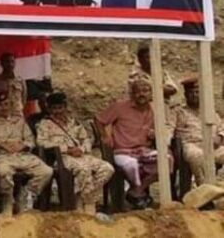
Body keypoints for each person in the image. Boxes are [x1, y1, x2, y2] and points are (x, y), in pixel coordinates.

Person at [95, 75, 173, 209]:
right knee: (132, 166)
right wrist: (104, 136)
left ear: (151, 93)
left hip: (144, 151)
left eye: (145, 91)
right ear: (132, 94)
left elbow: (163, 128)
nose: (141, 94)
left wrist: (155, 133)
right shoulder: (119, 107)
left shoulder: (155, 110)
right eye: (138, 91)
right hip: (123, 151)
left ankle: (136, 191)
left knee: (167, 160)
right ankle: (138, 196)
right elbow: (98, 120)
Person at [36, 92, 114, 214]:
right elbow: (42, 142)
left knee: (107, 168)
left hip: (81, 155)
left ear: (65, 107)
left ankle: (87, 199)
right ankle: (83, 205)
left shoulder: (74, 123)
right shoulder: (44, 124)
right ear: (50, 109)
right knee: (83, 170)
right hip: (62, 158)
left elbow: (87, 139)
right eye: (54, 108)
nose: (58, 111)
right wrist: (66, 149)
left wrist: (81, 149)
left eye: (60, 107)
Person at [0, 92, 52, 216]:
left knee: (47, 171)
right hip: (3, 156)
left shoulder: (20, 121)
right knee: (3, 172)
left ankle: (25, 196)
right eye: (0, 105)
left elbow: (30, 140)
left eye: (6, 104)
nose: (4, 107)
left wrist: (23, 146)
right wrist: (0, 144)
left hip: (22, 155)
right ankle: (8, 201)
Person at [174, 78, 224, 186]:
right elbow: (173, 130)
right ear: (186, 95)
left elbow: (221, 127)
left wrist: (220, 136)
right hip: (192, 145)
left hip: (212, 146)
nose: (194, 95)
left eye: (197, 92)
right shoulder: (180, 112)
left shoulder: (209, 111)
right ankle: (204, 188)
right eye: (191, 93)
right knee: (198, 156)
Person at [0, 53, 27, 118]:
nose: (10, 64)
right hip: (0, 116)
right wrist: (0, 97)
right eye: (7, 62)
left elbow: (24, 99)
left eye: (12, 62)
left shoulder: (20, 81)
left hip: (17, 115)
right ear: (1, 64)